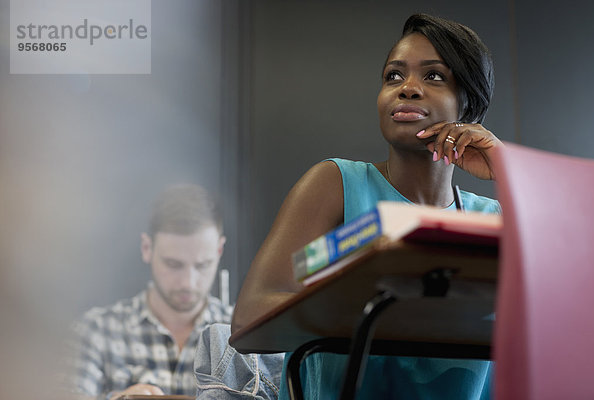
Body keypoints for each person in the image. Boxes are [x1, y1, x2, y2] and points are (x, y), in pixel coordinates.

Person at [232, 13, 502, 400]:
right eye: (394, 76)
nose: (407, 88)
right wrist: (384, 310)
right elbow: (249, 317)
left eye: (433, 76)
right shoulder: (335, 184)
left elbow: (565, 314)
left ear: (469, 106)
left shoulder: (491, 219)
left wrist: (506, 170)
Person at [66, 184, 232, 400]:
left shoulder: (244, 335)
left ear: (219, 251)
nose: (188, 282)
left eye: (203, 265)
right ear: (147, 248)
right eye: (173, 264)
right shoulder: (96, 330)